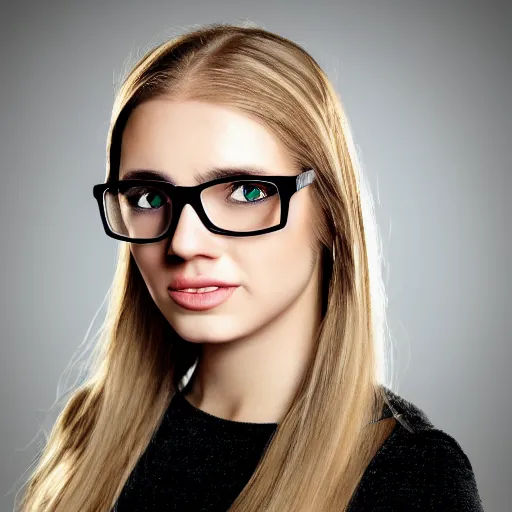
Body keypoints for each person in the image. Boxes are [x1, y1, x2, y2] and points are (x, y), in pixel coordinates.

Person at [16, 23, 484, 512]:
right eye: (149, 196)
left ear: (329, 210)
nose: (183, 242)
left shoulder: (409, 476)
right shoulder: (88, 430)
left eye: (246, 192)